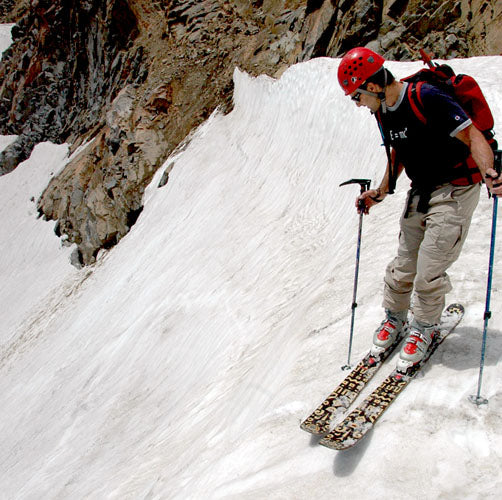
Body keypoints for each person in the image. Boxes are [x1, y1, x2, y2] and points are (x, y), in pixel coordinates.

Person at [337, 47, 501, 372]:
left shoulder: (425, 97)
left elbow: (472, 134)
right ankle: (395, 319)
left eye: (356, 97)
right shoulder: (384, 111)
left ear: (371, 86)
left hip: (455, 188)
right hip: (420, 190)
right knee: (403, 265)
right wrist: (380, 193)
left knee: (429, 268)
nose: (357, 104)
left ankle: (425, 327)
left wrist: (491, 173)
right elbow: (399, 152)